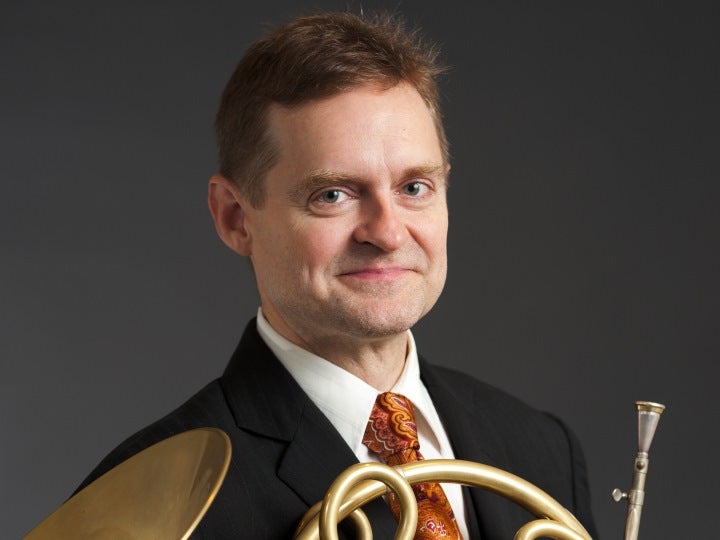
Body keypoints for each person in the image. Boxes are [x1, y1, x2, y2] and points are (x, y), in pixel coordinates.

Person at [77, 12, 597, 539]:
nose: (387, 233)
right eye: (332, 195)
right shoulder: (144, 504)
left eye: (413, 188)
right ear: (235, 218)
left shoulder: (540, 447)